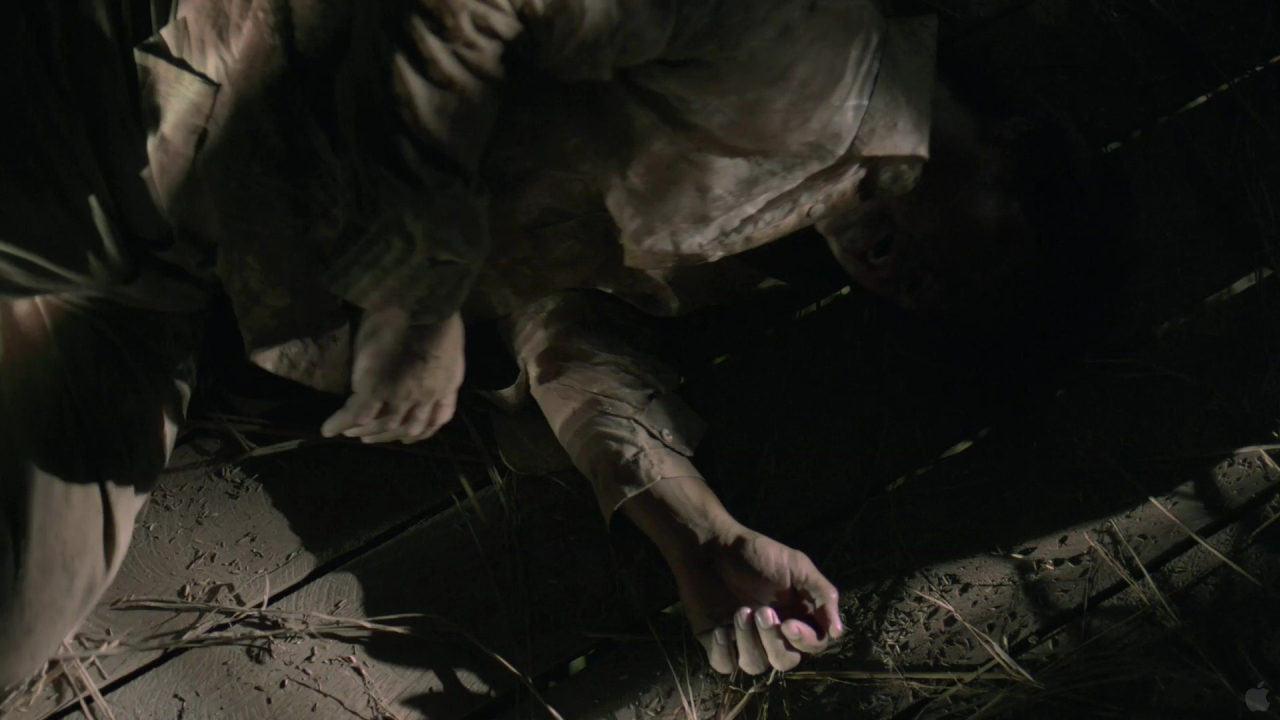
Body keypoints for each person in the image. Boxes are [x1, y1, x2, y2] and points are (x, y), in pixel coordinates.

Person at [0, 0, 1117, 692]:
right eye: (977, 266)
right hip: (165, 88)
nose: (918, 287)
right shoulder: (805, 35)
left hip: (187, 267)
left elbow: (555, 316)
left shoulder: (770, 215)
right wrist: (415, 298)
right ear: (1012, 148)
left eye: (929, 306)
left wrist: (694, 532)